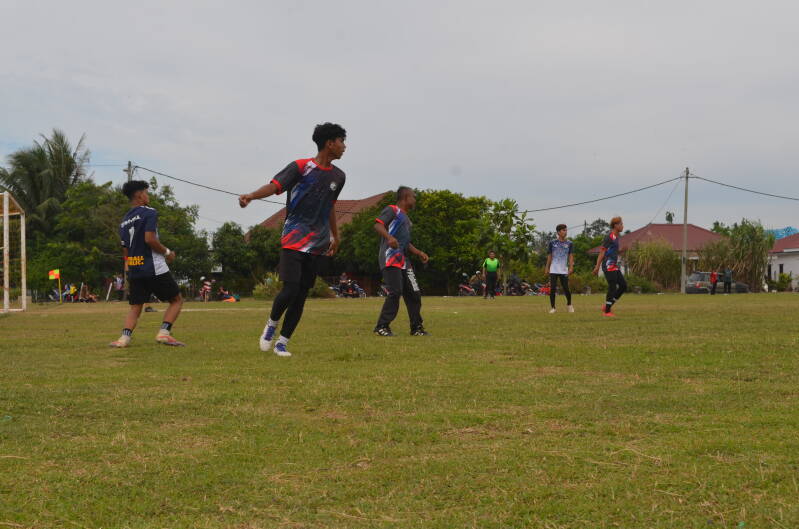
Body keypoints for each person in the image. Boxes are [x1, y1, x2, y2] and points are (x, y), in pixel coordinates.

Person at [239, 122, 346, 357]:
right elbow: (274, 186)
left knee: (301, 295)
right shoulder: (300, 167)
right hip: (294, 238)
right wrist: (252, 195)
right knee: (290, 289)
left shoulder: (339, 177)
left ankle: (282, 343)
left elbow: (330, 206)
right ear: (330, 143)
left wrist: (335, 236)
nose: (344, 146)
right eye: (341, 141)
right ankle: (271, 325)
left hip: (318, 244)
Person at [109, 180, 185, 347]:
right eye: (146, 192)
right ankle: (164, 333)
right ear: (139, 195)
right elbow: (150, 239)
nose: (148, 195)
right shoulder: (149, 212)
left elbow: (125, 250)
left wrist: (129, 270)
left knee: (135, 307)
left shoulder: (124, 221)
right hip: (153, 267)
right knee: (176, 300)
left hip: (135, 268)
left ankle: (123, 339)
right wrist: (168, 252)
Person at [373, 186, 429, 337]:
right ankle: (382, 326)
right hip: (390, 257)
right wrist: (389, 237)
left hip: (404, 260)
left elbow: (406, 242)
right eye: (413, 197)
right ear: (405, 197)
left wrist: (419, 253)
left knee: (414, 293)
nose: (415, 200)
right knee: (395, 291)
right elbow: (378, 225)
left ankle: (416, 328)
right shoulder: (392, 210)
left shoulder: (407, 219)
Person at [593, 216, 626, 317]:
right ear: (615, 225)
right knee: (612, 287)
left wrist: (621, 251)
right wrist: (597, 266)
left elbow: (612, 252)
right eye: (621, 224)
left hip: (614, 265)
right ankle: (607, 311)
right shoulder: (609, 237)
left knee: (623, 286)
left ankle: (608, 305)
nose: (622, 226)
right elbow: (602, 252)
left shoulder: (616, 237)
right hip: (608, 265)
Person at [546, 224, 575, 313]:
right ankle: (553, 308)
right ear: (558, 232)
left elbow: (571, 256)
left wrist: (571, 267)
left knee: (566, 288)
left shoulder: (569, 243)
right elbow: (549, 256)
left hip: (563, 270)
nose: (565, 232)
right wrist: (547, 267)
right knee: (552, 289)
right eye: (563, 230)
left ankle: (569, 305)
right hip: (553, 269)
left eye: (566, 230)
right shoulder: (552, 243)